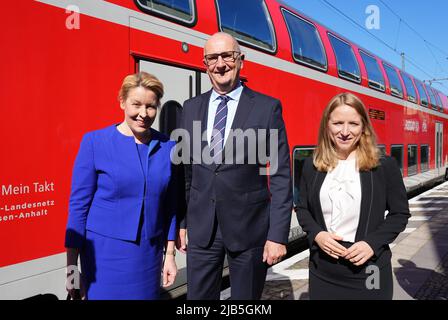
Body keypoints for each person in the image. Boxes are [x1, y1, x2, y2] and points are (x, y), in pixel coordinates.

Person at [176, 32, 292, 300]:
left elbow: (279, 175)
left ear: (241, 60)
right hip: (202, 228)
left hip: (250, 230)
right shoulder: (191, 107)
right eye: (212, 58)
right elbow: (186, 172)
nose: (220, 64)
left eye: (227, 56)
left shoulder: (267, 108)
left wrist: (278, 235)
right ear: (205, 64)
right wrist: (182, 222)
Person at [65, 72, 177, 300]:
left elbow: (171, 205)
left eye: (151, 106)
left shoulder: (168, 147)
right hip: (103, 256)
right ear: (122, 102)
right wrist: (72, 272)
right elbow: (78, 208)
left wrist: (170, 255)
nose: (143, 114)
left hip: (148, 255)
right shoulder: (95, 142)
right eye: (136, 104)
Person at [296, 92, 410, 300]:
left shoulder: (383, 166)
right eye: (338, 123)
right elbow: (302, 209)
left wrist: (371, 243)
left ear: (364, 127)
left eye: (353, 124)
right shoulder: (311, 165)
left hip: (369, 270)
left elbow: (400, 213)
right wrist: (317, 235)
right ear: (327, 125)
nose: (345, 132)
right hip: (323, 270)